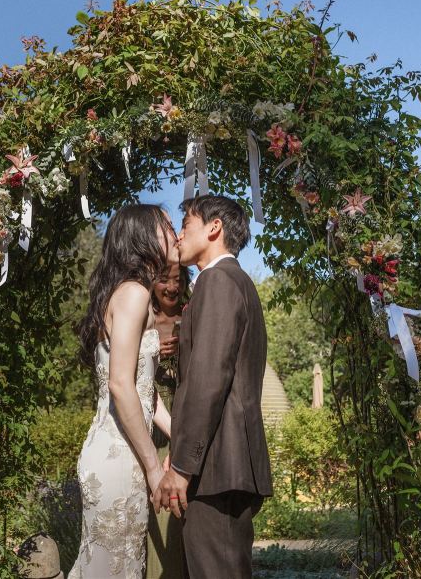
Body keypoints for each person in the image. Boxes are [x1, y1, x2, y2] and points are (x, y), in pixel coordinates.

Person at [153, 195, 273, 579]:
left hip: (217, 468)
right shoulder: (232, 282)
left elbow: (208, 382)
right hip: (225, 465)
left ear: (214, 228)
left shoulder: (218, 282)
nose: (178, 237)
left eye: (185, 225)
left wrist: (184, 465)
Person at [69, 204, 179, 578]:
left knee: (116, 566)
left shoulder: (133, 295)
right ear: (143, 237)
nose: (175, 231)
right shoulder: (132, 294)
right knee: (109, 567)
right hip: (118, 456)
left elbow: (145, 392)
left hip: (123, 451)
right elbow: (120, 385)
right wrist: (153, 467)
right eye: (166, 225)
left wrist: (183, 435)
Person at [146, 263, 189, 579]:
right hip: (150, 440)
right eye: (164, 280)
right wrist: (152, 355)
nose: (172, 287)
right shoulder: (142, 320)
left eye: (178, 279)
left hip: (187, 436)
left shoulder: (191, 316)